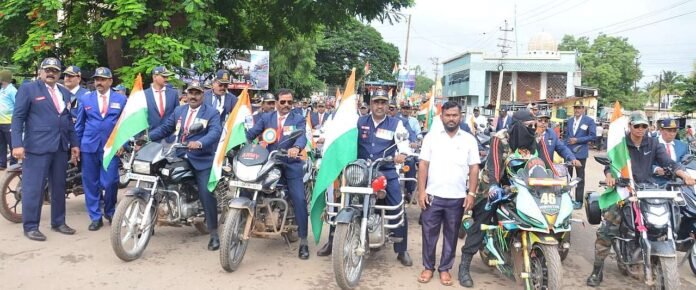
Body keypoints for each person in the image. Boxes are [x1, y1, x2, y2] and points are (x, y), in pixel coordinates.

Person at [586, 112, 695, 287]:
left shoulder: (652, 143)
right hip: (623, 189)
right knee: (606, 231)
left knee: (671, 212)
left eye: (644, 126)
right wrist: (609, 176)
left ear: (648, 127)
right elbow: (610, 164)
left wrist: (684, 175)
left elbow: (669, 163)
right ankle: (596, 271)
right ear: (630, 126)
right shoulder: (621, 144)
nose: (640, 129)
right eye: (636, 126)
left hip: (645, 188)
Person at [458, 109, 541, 287]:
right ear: (518, 126)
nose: (533, 128)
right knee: (483, 220)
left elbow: (545, 161)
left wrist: (556, 178)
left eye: (535, 125)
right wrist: (495, 186)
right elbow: (494, 164)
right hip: (493, 183)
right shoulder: (500, 138)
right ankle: (464, 265)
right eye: (529, 126)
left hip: (521, 184)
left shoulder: (535, 139)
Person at [148, 81, 222, 250]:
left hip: (202, 159)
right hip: (180, 154)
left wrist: (200, 143)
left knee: (205, 192)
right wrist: (147, 138)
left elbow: (215, 132)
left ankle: (213, 233)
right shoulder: (179, 110)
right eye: (191, 93)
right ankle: (149, 222)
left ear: (203, 94)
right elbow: (166, 128)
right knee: (158, 179)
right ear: (186, 94)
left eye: (197, 93)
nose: (193, 96)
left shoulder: (211, 113)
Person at [11, 57, 80, 241]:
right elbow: (18, 117)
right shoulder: (28, 89)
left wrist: (74, 144)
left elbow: (68, 121)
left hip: (60, 147)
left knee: (58, 187)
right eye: (47, 69)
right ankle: (31, 226)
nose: (51, 73)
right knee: (33, 188)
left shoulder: (64, 92)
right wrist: (17, 144)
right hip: (36, 147)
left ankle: (58, 222)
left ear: (59, 74)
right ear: (41, 71)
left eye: (55, 70)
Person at [417, 101, 480, 286]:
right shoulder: (431, 137)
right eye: (448, 115)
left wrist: (472, 194)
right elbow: (423, 165)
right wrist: (421, 192)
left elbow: (474, 168)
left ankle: (445, 269)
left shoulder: (469, 139)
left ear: (460, 116)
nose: (451, 118)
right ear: (441, 116)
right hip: (433, 195)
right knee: (429, 233)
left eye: (455, 115)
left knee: (451, 235)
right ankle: (428, 267)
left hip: (457, 197)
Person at [246, 89, 310, 260]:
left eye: (289, 102)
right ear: (276, 103)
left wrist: (296, 148)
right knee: (249, 186)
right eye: (283, 102)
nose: (286, 105)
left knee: (299, 199)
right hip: (268, 162)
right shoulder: (266, 118)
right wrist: (242, 139)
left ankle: (303, 241)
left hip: (291, 164)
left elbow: (302, 136)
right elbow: (251, 133)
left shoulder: (298, 118)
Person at [358, 89, 413, 265]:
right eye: (376, 102)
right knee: (344, 200)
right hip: (363, 171)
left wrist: (402, 154)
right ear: (371, 104)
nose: (379, 106)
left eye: (383, 102)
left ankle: (401, 250)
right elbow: (348, 140)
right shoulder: (359, 121)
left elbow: (404, 142)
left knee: (397, 206)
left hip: (386, 170)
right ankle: (334, 240)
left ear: (388, 105)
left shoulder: (396, 123)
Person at [74, 67, 127, 230]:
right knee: (90, 182)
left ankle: (110, 211)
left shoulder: (121, 99)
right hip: (89, 146)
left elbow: (124, 125)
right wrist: (76, 145)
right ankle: (95, 217)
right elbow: (79, 124)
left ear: (110, 81)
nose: (99, 82)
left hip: (111, 147)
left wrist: (122, 143)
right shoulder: (86, 99)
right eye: (97, 79)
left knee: (110, 182)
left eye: (103, 79)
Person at [564, 101, 596, 208]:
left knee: (580, 177)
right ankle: (566, 199)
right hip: (568, 153)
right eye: (576, 108)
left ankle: (578, 201)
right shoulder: (569, 121)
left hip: (581, 152)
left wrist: (577, 140)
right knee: (566, 177)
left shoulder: (589, 121)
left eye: (580, 108)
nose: (577, 110)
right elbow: (566, 136)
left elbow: (592, 136)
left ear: (583, 109)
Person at [143, 66, 179, 143]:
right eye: (163, 76)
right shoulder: (144, 94)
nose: (166, 79)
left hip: (169, 138)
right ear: (155, 77)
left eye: (167, 76)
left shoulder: (173, 93)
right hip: (150, 138)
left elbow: (177, 115)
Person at [653, 118, 690, 185]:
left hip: (679, 183)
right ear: (661, 130)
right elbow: (643, 163)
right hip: (656, 182)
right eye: (669, 131)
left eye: (674, 131)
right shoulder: (651, 143)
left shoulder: (683, 146)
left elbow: (686, 162)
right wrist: (655, 169)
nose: (672, 134)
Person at [0, 69, 17, 169]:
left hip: (9, 122)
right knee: (1, 144)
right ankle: (2, 163)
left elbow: (18, 106)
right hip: (1, 121)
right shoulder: (2, 90)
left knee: (12, 144)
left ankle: (13, 164)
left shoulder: (12, 91)